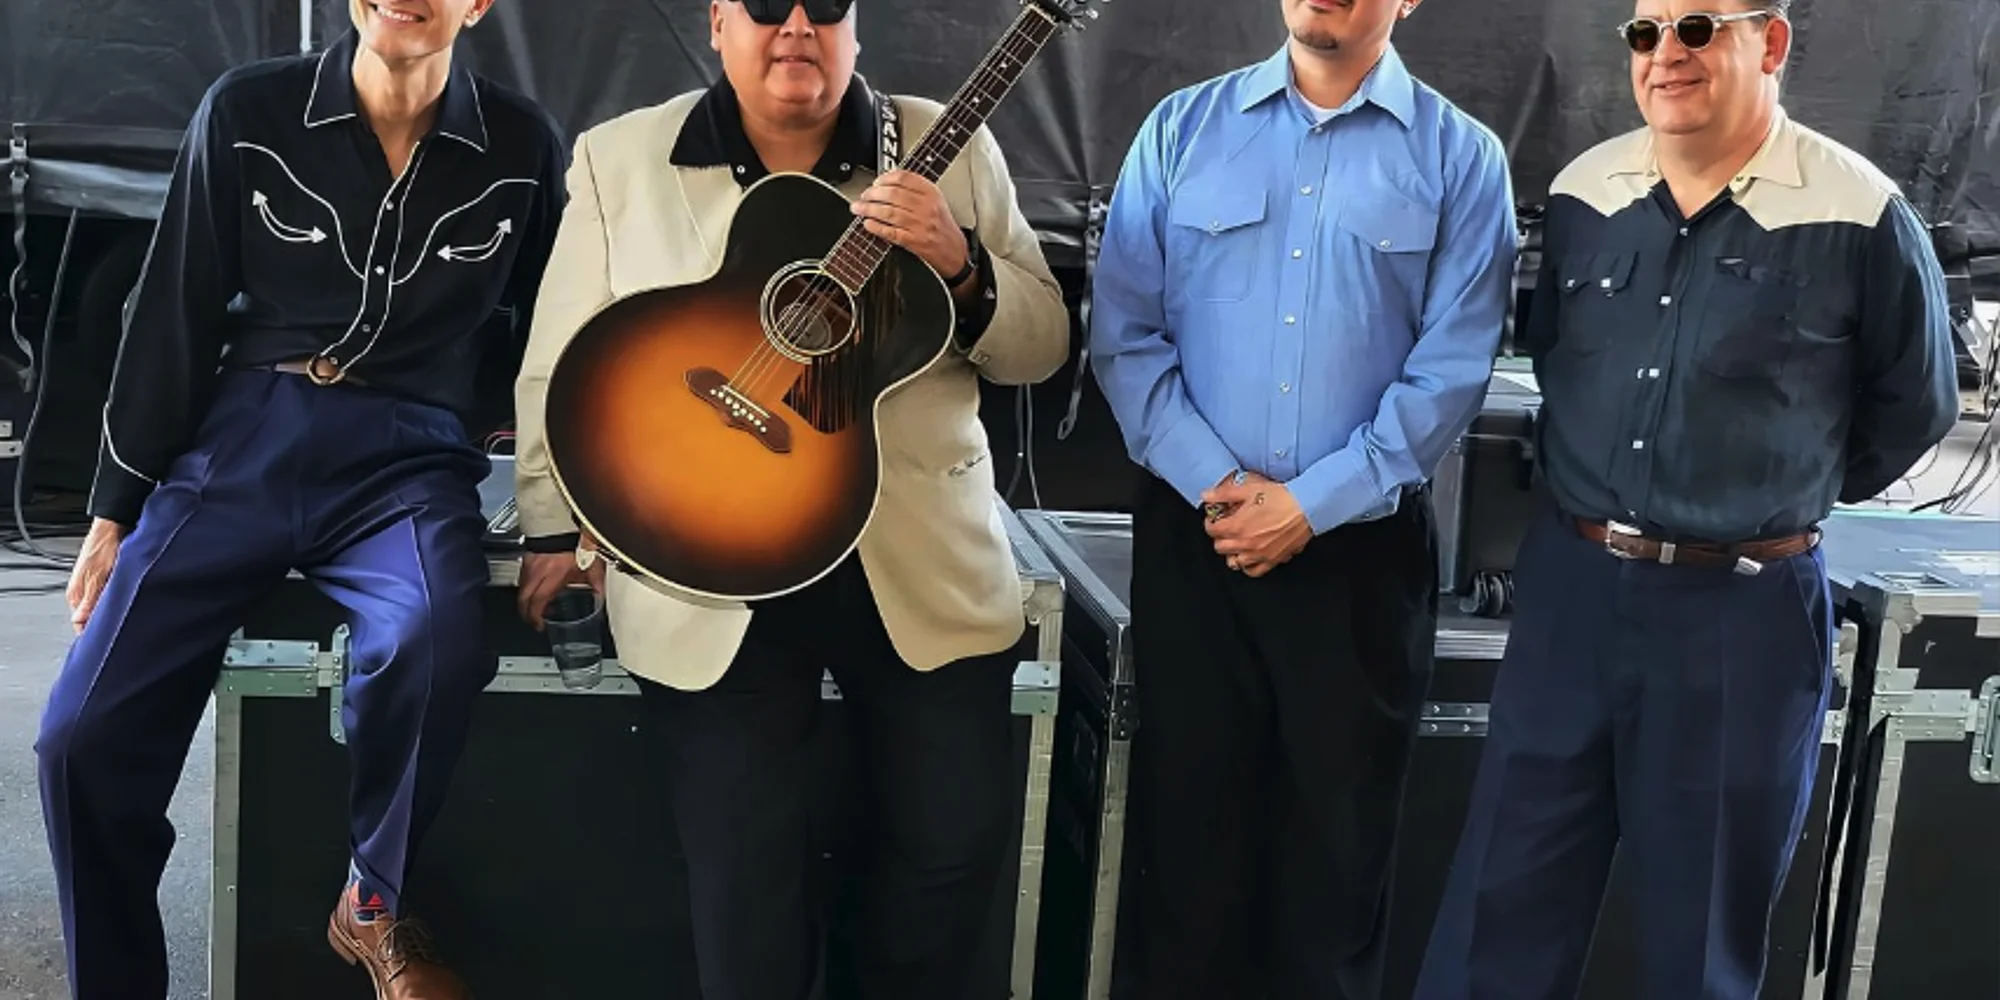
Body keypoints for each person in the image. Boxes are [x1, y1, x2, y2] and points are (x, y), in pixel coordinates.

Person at [509, 1, 1070, 997]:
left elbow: (1042, 345)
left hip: (917, 559)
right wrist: (551, 524)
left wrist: (959, 262)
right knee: (743, 878)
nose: (796, 25)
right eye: (766, 4)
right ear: (718, 22)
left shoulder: (946, 145)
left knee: (945, 849)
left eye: (825, 6)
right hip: (707, 555)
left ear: (856, 27)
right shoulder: (621, 158)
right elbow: (556, 360)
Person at [1413, 1, 1961, 997]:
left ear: (1771, 42)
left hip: (1738, 618)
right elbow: (1553, 360)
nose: (1665, 54)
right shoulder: (1582, 193)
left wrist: (1765, 492)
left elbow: (1913, 407)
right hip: (1571, 599)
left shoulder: (1860, 212)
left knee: (1699, 942)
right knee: (1499, 909)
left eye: (1697, 28)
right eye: (1645, 33)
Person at [33, 1, 566, 996]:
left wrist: (556, 524)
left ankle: (371, 899)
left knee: (437, 637)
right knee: (79, 738)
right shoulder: (247, 110)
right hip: (243, 438)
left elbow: (553, 340)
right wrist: (114, 512)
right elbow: (174, 310)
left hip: (408, 460)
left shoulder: (523, 144)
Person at [1086, 0, 1518, 996]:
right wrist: (1222, 488)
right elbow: (1125, 333)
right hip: (1200, 546)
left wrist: (1312, 504)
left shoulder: (1461, 159)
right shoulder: (1180, 130)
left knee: (1335, 877)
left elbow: (1451, 369)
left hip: (1360, 562)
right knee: (1184, 867)